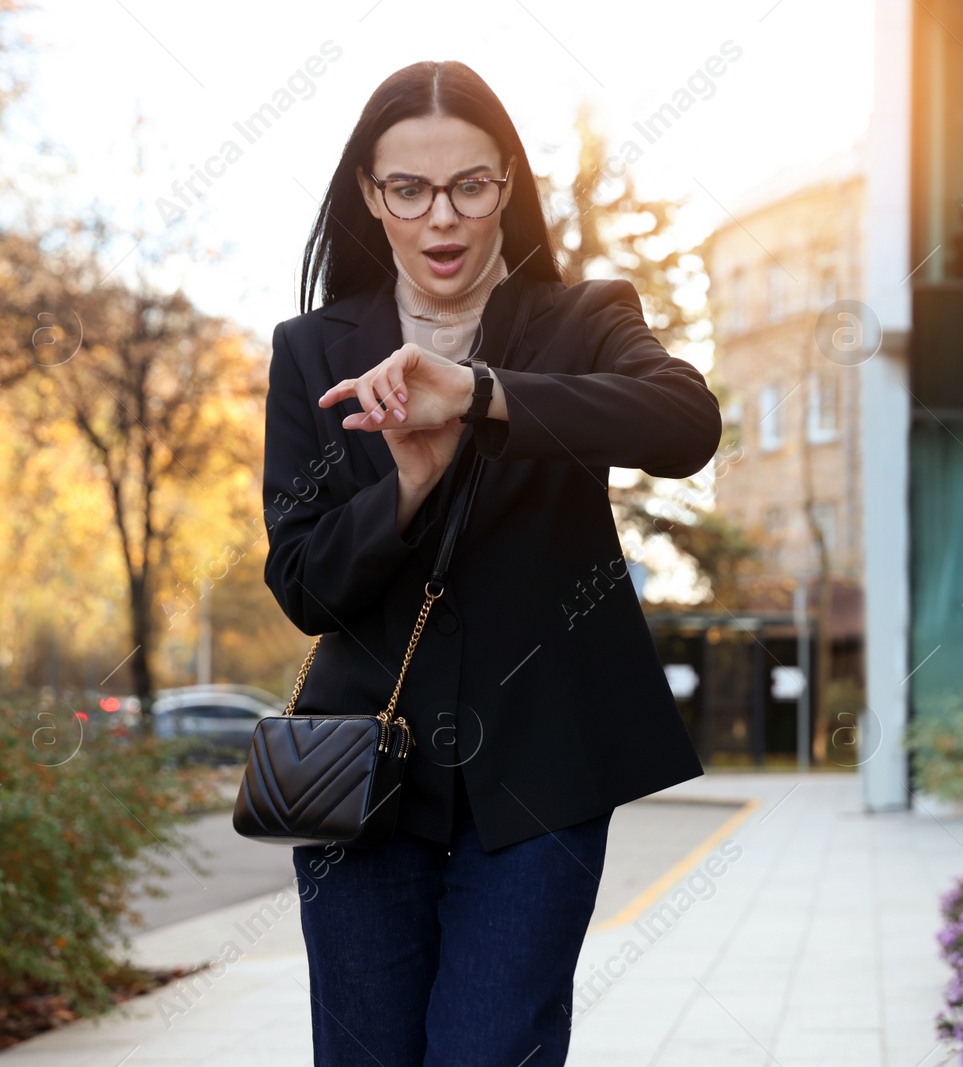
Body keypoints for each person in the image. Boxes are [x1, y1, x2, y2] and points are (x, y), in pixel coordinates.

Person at [261, 59, 722, 1066]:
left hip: (538, 780)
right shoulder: (310, 351)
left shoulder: (581, 318)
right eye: (409, 189)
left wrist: (478, 395)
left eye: (471, 184)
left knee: (491, 1048)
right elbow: (301, 583)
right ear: (369, 197)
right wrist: (409, 484)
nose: (443, 219)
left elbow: (686, 423)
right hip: (360, 786)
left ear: (507, 185)